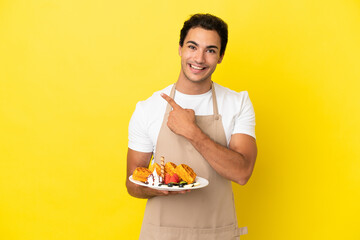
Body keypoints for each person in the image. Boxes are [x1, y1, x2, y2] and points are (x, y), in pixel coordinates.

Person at [126, 13, 257, 240]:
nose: (199, 58)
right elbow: (132, 184)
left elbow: (242, 172)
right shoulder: (148, 108)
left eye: (210, 50)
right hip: (160, 235)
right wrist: (161, 185)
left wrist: (192, 132)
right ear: (180, 48)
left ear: (221, 56)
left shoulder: (238, 103)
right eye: (192, 47)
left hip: (218, 233)